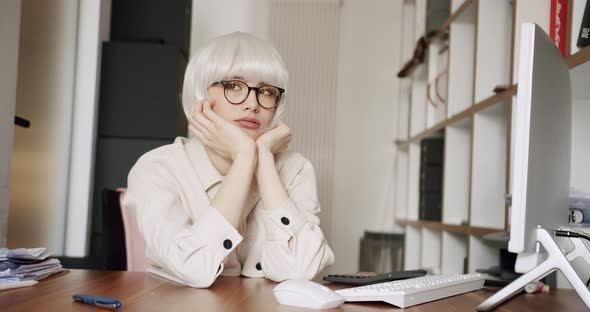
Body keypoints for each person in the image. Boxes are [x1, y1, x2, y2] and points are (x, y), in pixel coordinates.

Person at [124, 32, 334, 288]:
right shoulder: (157, 168)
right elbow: (194, 269)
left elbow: (300, 270)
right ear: (200, 96)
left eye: (266, 91)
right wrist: (244, 158)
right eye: (234, 85)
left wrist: (264, 160)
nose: (252, 104)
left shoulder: (295, 169)